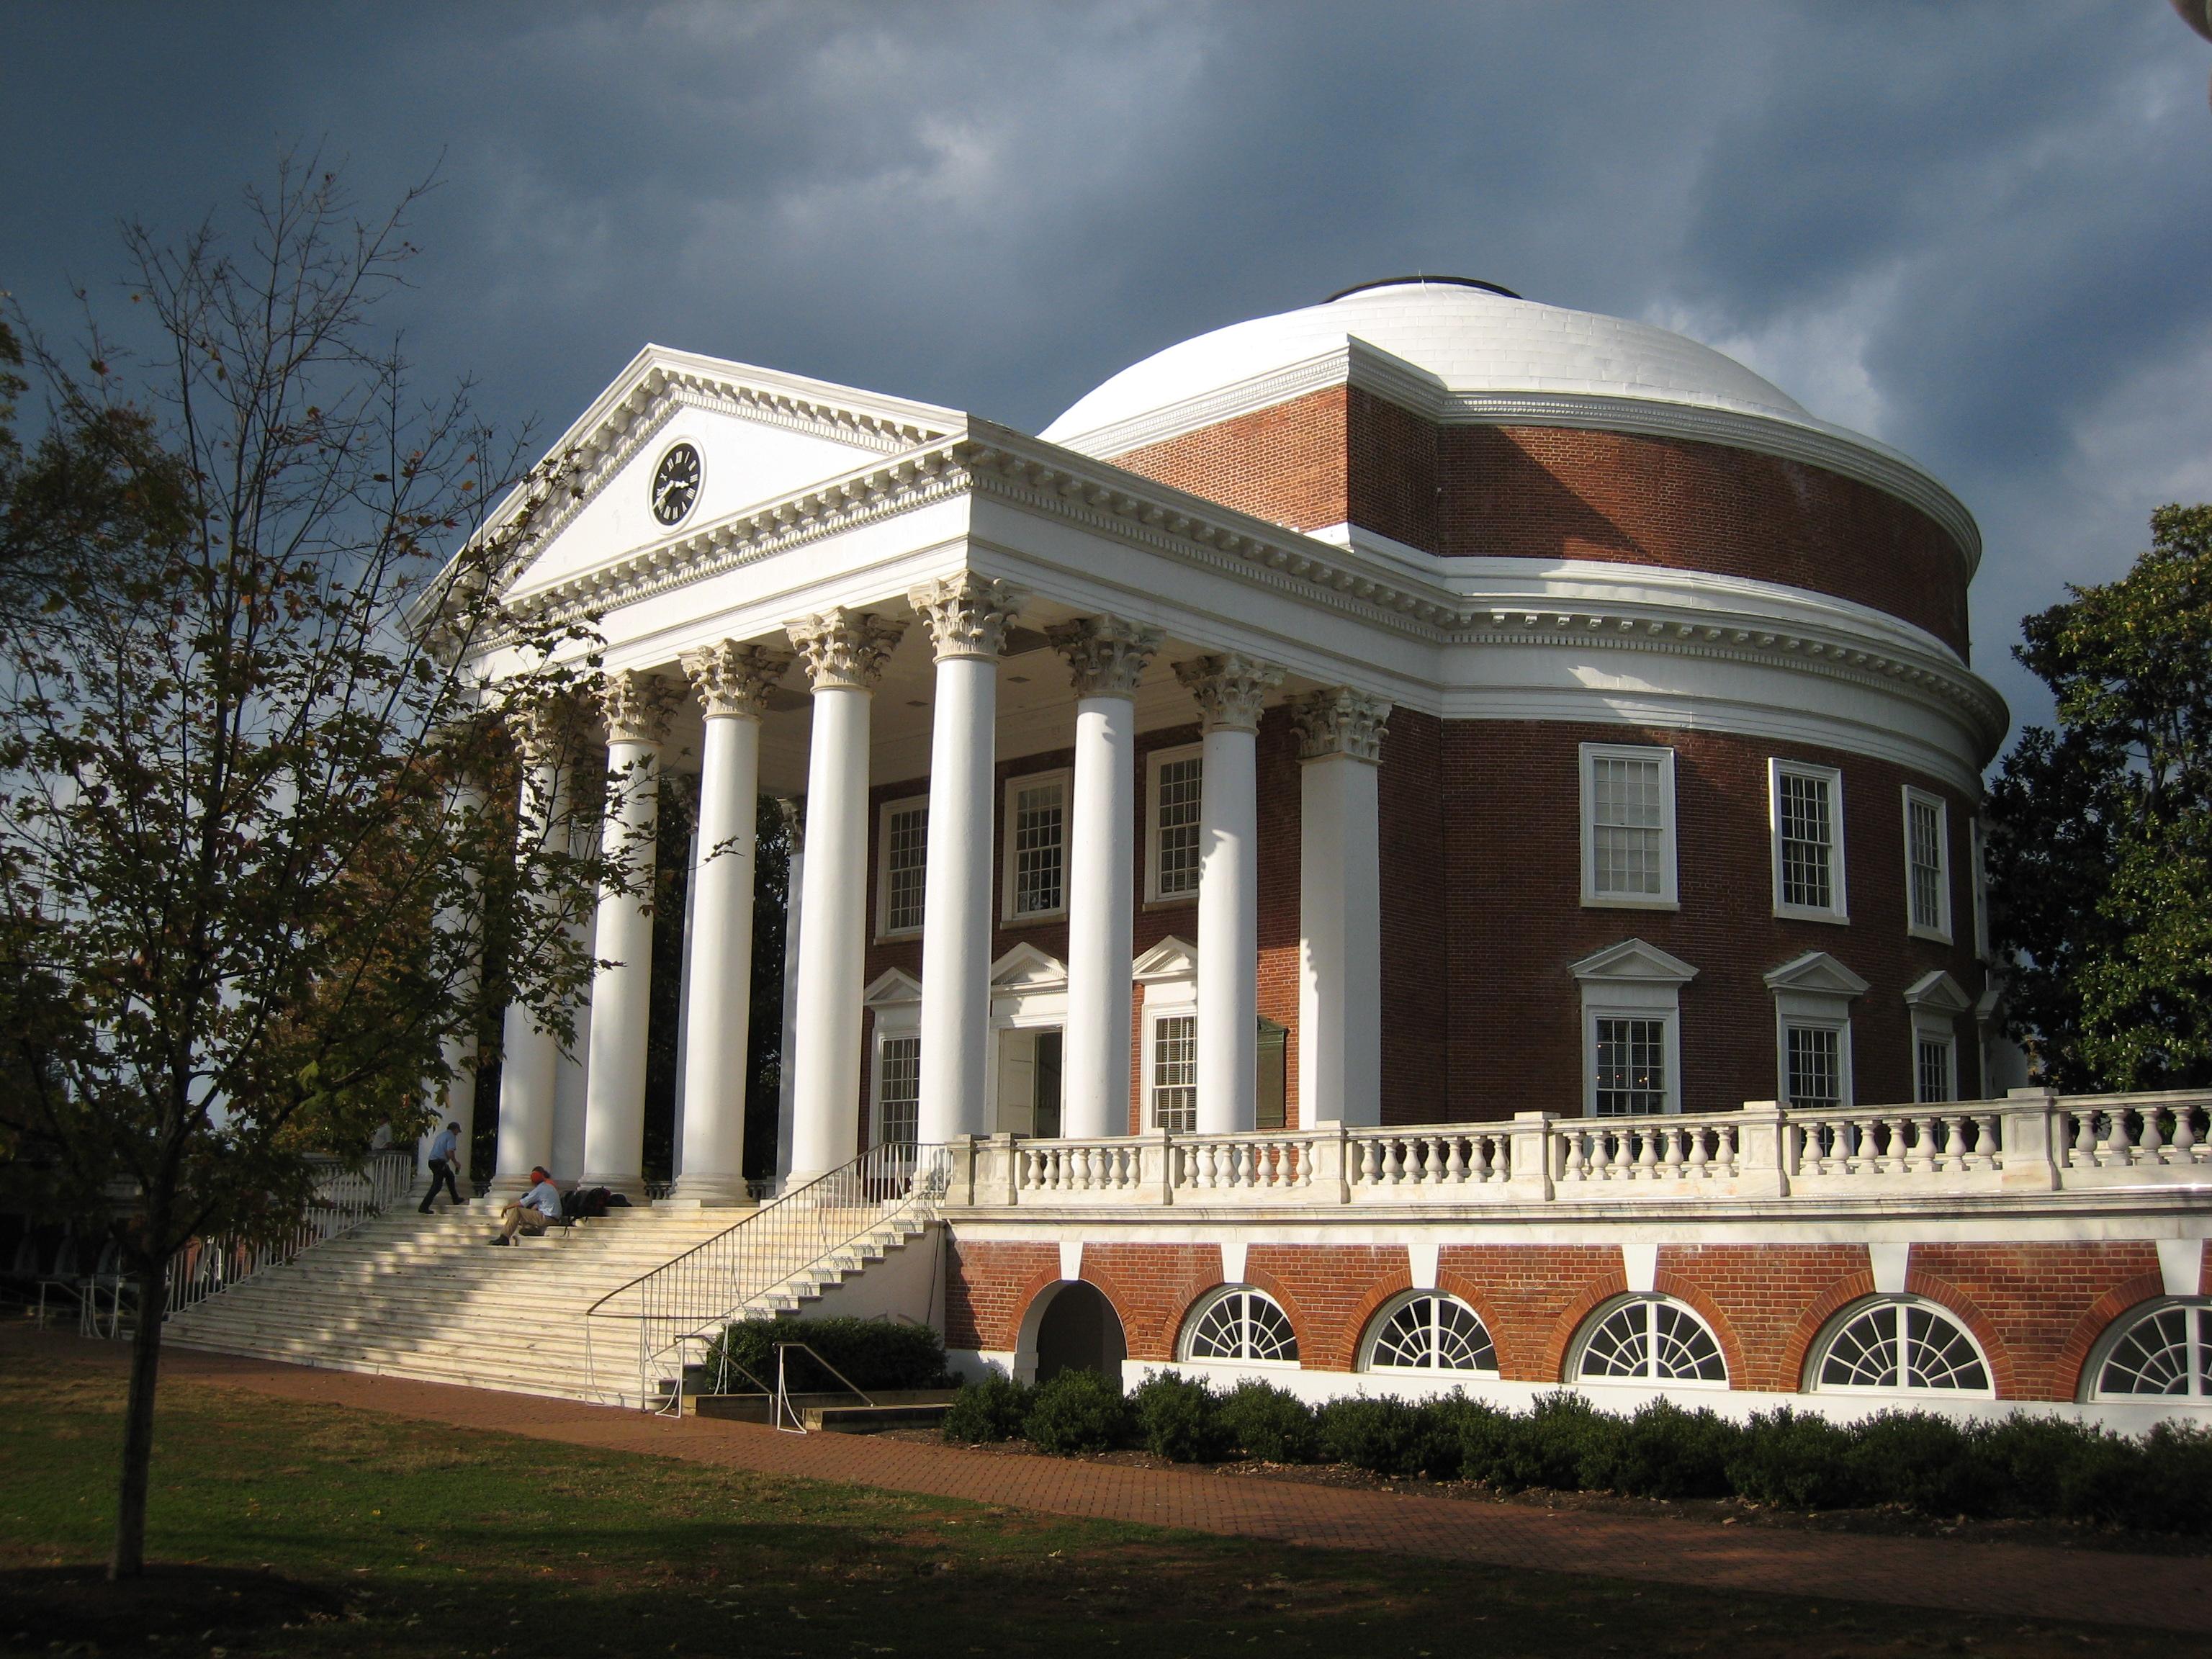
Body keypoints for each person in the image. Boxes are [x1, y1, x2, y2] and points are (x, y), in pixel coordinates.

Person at [490, 1168, 563, 1246]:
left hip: (547, 1218)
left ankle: (504, 1237)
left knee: (518, 1211)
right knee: (527, 1212)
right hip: (554, 1219)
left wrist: (507, 1207)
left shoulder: (540, 1189)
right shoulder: (549, 1187)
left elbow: (523, 1203)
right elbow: (538, 1205)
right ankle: (530, 1228)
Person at [418, 1122, 464, 1213]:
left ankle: (456, 1199)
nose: (457, 1134)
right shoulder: (451, 1136)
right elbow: (449, 1152)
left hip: (433, 1161)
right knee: (437, 1186)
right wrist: (456, 1163)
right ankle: (424, 1207)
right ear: (454, 1129)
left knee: (450, 1176)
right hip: (439, 1162)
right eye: (457, 1131)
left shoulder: (442, 1135)